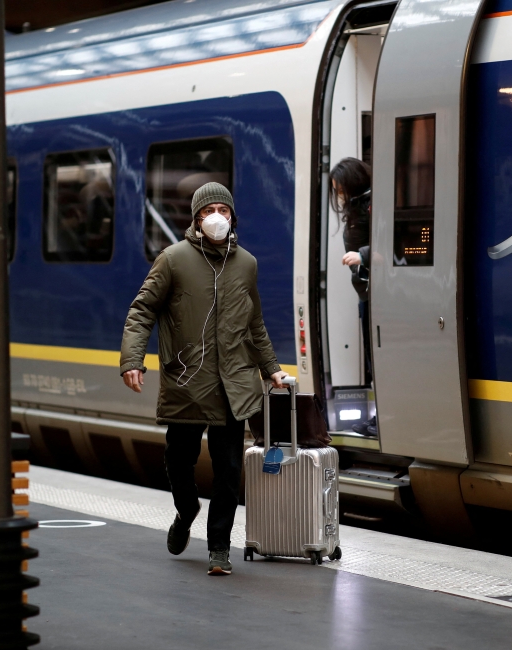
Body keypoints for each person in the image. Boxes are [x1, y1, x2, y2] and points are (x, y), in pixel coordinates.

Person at [120, 182, 288, 576]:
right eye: (209, 209)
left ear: (232, 216)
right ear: (196, 217)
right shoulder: (173, 260)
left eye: (224, 210)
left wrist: (271, 367)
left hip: (234, 386)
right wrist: (133, 359)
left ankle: (218, 548)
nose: (217, 217)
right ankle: (186, 510)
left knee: (229, 472)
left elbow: (255, 322)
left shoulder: (246, 263)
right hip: (187, 383)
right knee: (179, 461)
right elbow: (142, 309)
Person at [329, 158, 376, 436]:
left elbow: (397, 239)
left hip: (375, 294)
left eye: (340, 188)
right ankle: (379, 418)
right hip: (366, 293)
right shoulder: (360, 205)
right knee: (373, 359)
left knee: (377, 359)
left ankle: (383, 420)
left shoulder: (371, 205)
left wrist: (364, 255)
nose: (339, 195)